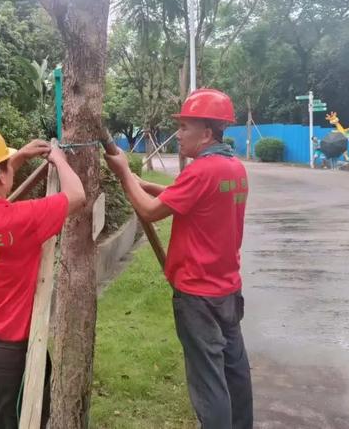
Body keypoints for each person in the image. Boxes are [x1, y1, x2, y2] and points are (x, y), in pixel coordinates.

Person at [104, 89, 253, 429]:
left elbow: (150, 211)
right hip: (227, 290)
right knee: (235, 374)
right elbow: (183, 197)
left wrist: (126, 174)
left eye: (185, 127)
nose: (179, 134)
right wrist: (141, 181)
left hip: (198, 295)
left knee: (209, 383)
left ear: (207, 133)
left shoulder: (202, 171)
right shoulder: (233, 168)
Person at [0, 123, 85, 429]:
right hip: (14, 358)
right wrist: (59, 159)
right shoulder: (20, 221)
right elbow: (77, 195)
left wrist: (17, 158)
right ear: (1, 175)